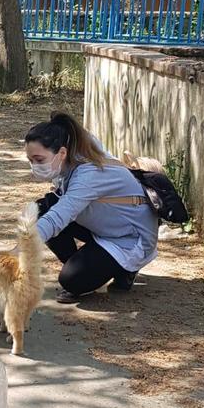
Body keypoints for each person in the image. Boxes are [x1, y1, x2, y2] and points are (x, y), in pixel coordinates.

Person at [24, 112, 158, 303]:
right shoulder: (72, 154)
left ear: (61, 153)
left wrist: (22, 247)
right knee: (40, 210)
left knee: (71, 280)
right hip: (107, 222)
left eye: (39, 160)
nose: (34, 167)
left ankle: (121, 268)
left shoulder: (88, 173)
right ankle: (89, 265)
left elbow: (60, 216)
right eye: (31, 161)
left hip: (128, 236)